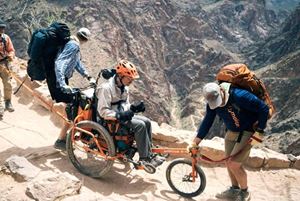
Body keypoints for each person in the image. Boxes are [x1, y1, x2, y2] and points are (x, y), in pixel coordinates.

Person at [188, 82, 269, 201]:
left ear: (221, 91)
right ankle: (234, 189)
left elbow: (263, 108)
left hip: (248, 131)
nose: (218, 105)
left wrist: (260, 131)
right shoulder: (212, 104)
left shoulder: (240, 96)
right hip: (231, 131)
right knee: (228, 161)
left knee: (234, 164)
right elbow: (207, 121)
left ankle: (244, 192)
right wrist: (195, 142)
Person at [97, 60, 164, 167]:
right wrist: (118, 115)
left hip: (121, 117)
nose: (131, 81)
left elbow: (125, 105)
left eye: (132, 79)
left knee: (147, 121)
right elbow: (103, 111)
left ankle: (150, 152)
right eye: (129, 78)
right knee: (140, 125)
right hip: (111, 121)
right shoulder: (106, 88)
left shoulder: (124, 87)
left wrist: (133, 108)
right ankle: (144, 159)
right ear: (120, 75)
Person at [53, 27, 96, 150]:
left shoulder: (73, 44)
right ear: (86, 40)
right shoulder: (73, 45)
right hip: (59, 79)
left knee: (73, 108)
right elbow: (60, 63)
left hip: (61, 78)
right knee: (72, 109)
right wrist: (62, 84)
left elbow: (76, 63)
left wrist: (88, 76)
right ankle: (61, 140)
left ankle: (64, 138)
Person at [0, 19, 15, 118]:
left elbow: (11, 50)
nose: (2, 30)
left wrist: (10, 55)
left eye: (2, 28)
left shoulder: (6, 38)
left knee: (8, 84)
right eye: (0, 28)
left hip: (4, 64)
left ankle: (8, 101)